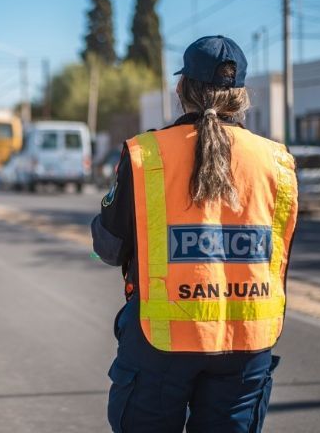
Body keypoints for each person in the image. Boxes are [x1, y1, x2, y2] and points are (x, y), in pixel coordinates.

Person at [91, 35, 298, 433]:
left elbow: (110, 248)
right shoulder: (278, 161)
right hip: (247, 340)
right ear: (241, 96)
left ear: (181, 89)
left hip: (160, 343)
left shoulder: (145, 154)